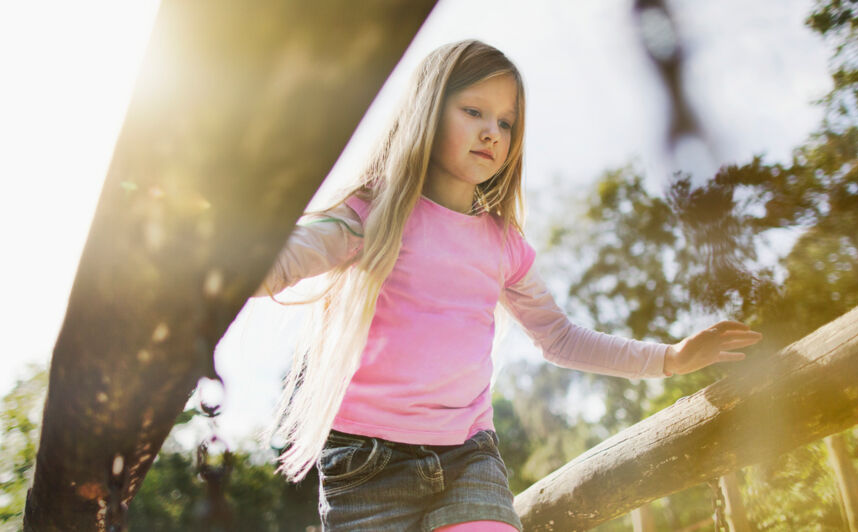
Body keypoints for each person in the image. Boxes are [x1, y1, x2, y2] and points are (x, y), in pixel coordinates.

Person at [253, 39, 761, 532]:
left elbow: (560, 339)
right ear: (427, 110)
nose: (492, 132)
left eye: (506, 122)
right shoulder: (371, 214)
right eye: (473, 111)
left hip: (468, 457)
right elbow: (279, 263)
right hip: (367, 467)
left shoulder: (503, 245)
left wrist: (671, 358)